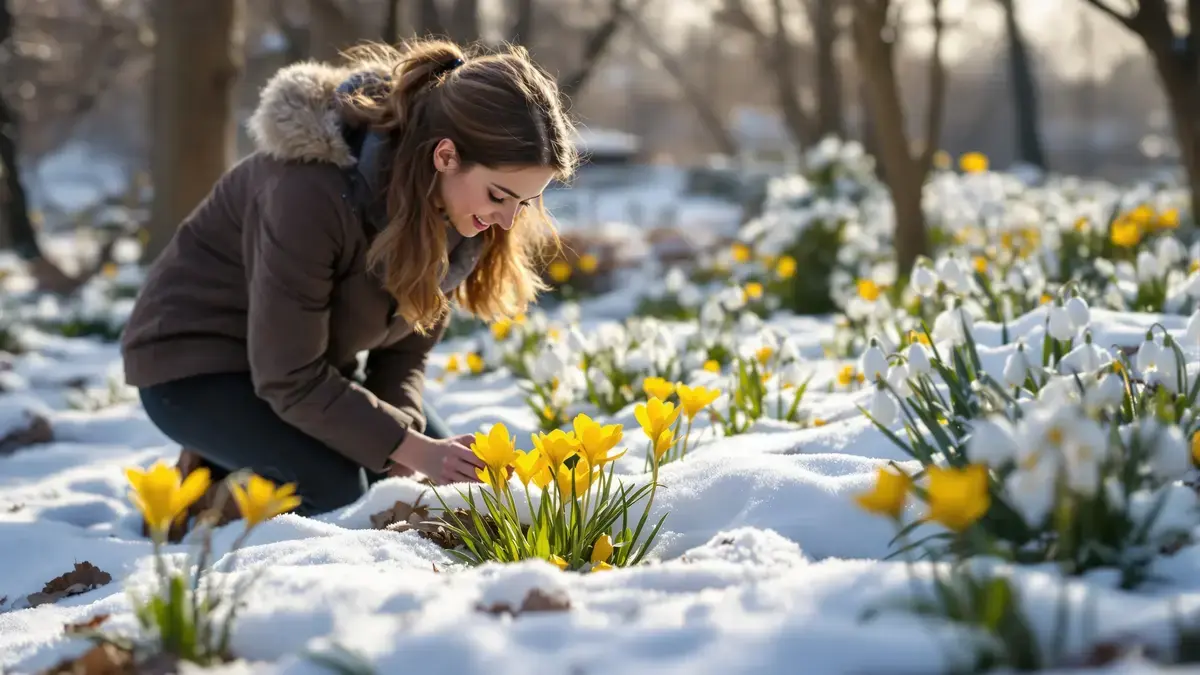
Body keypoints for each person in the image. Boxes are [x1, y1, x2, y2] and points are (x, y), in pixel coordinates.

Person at [120, 38, 577, 524]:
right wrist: (408, 448)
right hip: (195, 369)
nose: (508, 222)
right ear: (445, 156)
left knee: (429, 486)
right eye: (500, 196)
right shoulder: (309, 192)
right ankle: (200, 493)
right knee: (341, 493)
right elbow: (287, 375)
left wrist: (406, 445)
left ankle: (247, 455)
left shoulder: (462, 214)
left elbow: (403, 356)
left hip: (302, 371)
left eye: (522, 204)